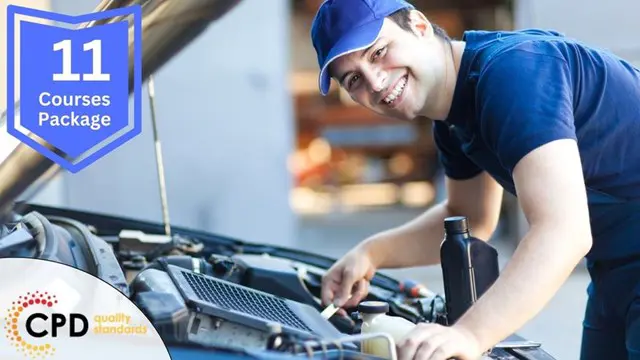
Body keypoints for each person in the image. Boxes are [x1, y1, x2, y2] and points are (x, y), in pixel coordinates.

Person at [309, 0, 640, 359]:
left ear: (418, 25)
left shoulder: (513, 73)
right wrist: (370, 253)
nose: (374, 82)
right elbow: (470, 218)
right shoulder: (454, 120)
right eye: (353, 79)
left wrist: (470, 333)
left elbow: (563, 231)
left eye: (379, 52)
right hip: (615, 271)